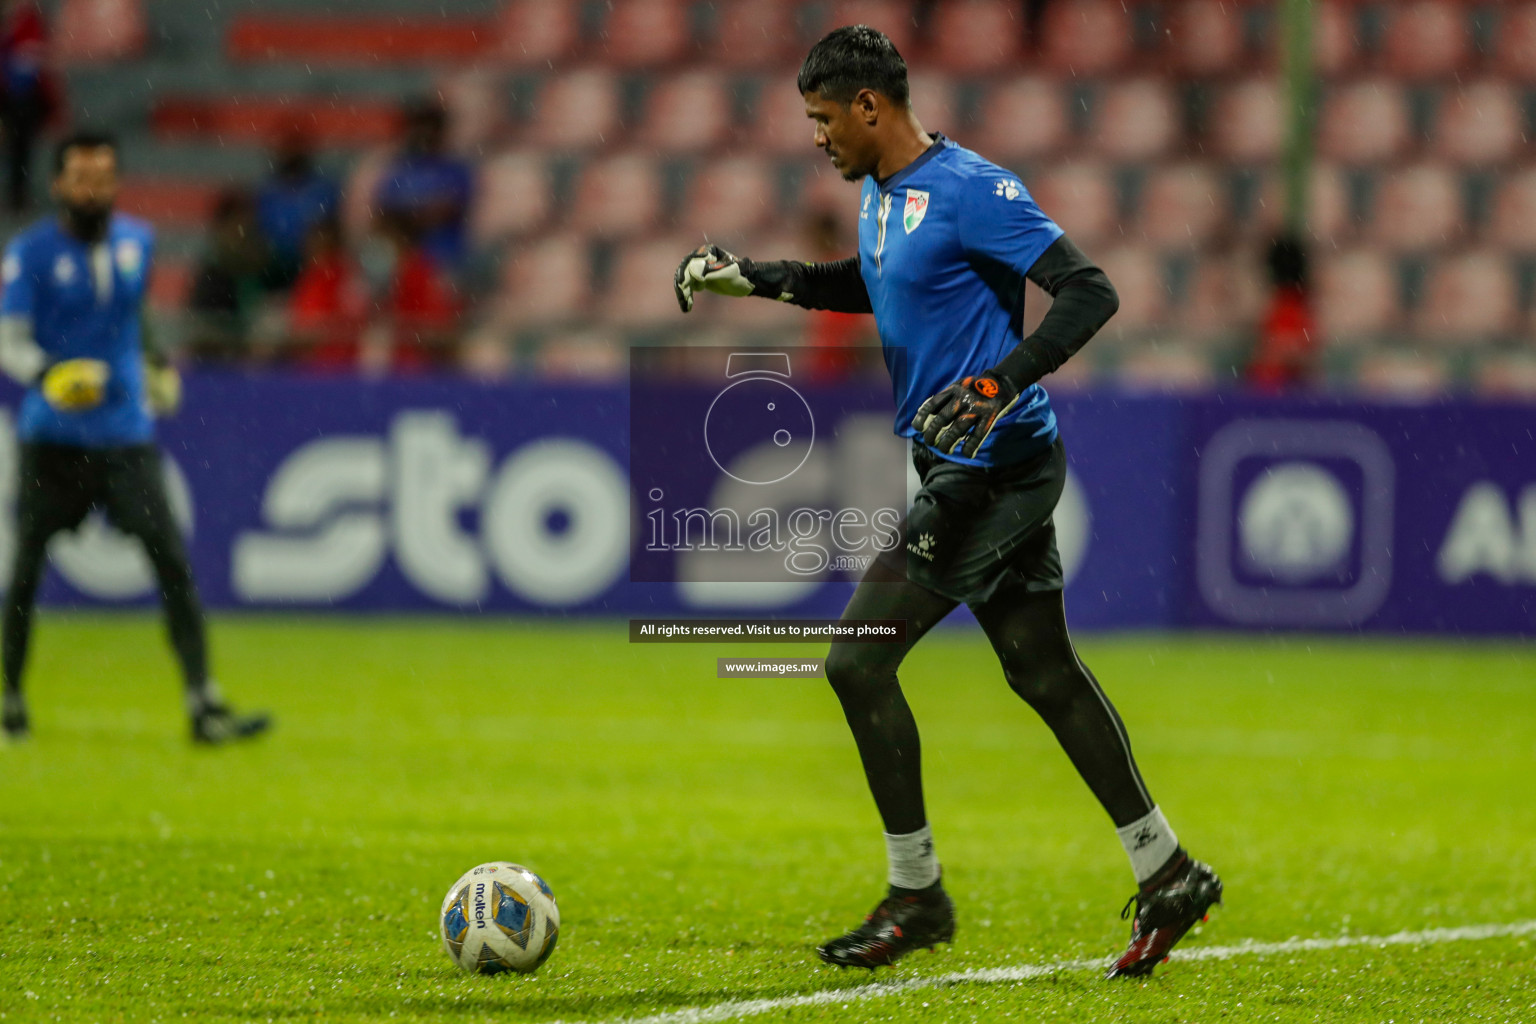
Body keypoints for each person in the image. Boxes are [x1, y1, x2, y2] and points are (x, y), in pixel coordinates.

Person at [674, 26, 1221, 978]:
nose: (817, 138)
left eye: (822, 119)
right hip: (955, 467)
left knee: (854, 662)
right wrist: (758, 277)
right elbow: (877, 287)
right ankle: (1166, 868)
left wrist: (998, 382)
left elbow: (1090, 293)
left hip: (993, 472)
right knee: (1043, 674)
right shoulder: (882, 197)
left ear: (871, 108)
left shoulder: (973, 189)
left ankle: (916, 892)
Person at [0, 131, 269, 745]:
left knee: (171, 560)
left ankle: (204, 703)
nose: (93, 189)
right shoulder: (31, 255)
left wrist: (156, 363)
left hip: (125, 434)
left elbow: (134, 315)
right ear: (58, 184)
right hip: (54, 438)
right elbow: (8, 340)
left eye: (103, 177)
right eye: (82, 177)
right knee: (24, 572)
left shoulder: (136, 241)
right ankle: (11, 699)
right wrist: (48, 375)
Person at [373, 99, 474, 275]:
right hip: (400, 258)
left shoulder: (455, 170)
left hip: (441, 256)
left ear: (441, 132)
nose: (423, 134)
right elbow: (381, 213)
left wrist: (405, 219)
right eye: (418, 128)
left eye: (429, 128)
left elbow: (445, 210)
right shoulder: (400, 169)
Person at [255, 128, 340, 290]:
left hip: (314, 264)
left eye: (294, 149)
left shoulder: (324, 190)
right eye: (285, 150)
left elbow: (332, 231)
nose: (290, 155)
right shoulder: (266, 193)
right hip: (273, 267)